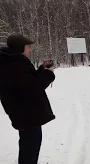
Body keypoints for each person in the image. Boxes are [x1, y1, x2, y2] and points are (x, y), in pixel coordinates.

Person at [0, 34, 56, 164]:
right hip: (25, 114)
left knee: (29, 145)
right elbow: (34, 87)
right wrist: (48, 74)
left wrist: (42, 69)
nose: (29, 49)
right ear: (20, 48)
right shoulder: (14, 65)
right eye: (27, 46)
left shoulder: (13, 61)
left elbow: (28, 81)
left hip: (24, 112)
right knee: (30, 147)